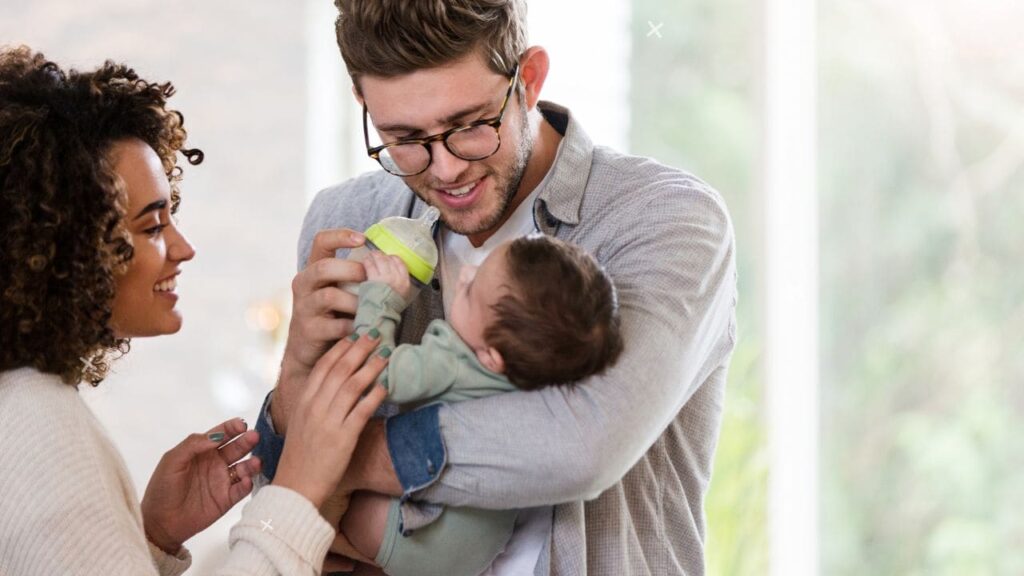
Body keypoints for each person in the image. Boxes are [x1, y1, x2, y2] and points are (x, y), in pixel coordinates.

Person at [253, 1, 738, 574]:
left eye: (469, 126)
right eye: (404, 137)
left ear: (527, 79)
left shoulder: (664, 220)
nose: (446, 169)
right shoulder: (349, 218)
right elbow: (287, 508)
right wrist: (297, 370)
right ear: (364, 104)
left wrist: (333, 455)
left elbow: (583, 445)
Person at [0, 46, 387, 575]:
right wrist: (297, 489)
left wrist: (150, 537)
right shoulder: (38, 427)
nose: (183, 248)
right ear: (67, 244)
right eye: (152, 226)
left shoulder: (25, 404)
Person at [339, 235, 624, 575]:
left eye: (471, 290)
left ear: (491, 356)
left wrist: (381, 298)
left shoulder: (455, 361)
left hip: (422, 543)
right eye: (480, 265)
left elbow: (375, 375)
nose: (465, 273)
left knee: (328, 495)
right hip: (476, 551)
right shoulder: (542, 376)